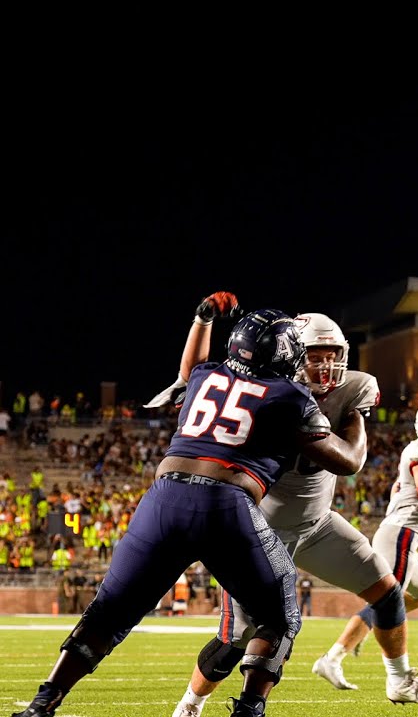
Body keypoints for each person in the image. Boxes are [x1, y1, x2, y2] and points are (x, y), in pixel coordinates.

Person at [12, 296, 367, 717]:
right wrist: (358, 413)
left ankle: (42, 704)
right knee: (279, 617)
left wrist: (202, 320)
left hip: (162, 499)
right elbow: (349, 461)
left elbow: (189, 368)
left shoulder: (204, 376)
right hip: (225, 505)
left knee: (108, 611)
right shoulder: (289, 395)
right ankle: (249, 710)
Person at [171, 313, 418, 717]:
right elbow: (197, 382)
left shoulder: (355, 387)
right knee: (235, 639)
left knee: (388, 593)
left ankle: (400, 679)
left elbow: (353, 443)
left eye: (331, 356)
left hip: (318, 524)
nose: (324, 366)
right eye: (313, 357)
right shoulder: (267, 390)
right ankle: (190, 704)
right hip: (261, 531)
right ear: (291, 356)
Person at [314, 398, 418, 691]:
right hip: (400, 534)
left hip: (405, 536)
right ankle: (332, 657)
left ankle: (374, 623)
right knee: (385, 600)